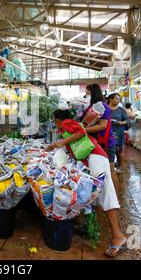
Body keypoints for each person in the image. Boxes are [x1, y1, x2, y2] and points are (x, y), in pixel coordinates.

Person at [46, 109, 128, 257]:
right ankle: (93, 226)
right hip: (93, 158)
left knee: (106, 195)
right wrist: (55, 146)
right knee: (93, 194)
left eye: (54, 121)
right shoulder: (65, 129)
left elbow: (81, 133)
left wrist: (61, 142)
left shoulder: (66, 124)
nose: (54, 124)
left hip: (95, 158)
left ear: (58, 120)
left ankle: (118, 237)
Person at [82, 84, 119, 192]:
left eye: (88, 92)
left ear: (93, 93)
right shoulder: (92, 106)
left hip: (106, 142)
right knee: (98, 170)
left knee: (110, 170)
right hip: (95, 142)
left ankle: (115, 197)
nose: (86, 94)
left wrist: (83, 130)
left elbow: (102, 126)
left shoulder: (102, 107)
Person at [107, 93, 128, 171]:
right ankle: (110, 166)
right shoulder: (106, 109)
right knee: (109, 149)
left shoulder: (121, 110)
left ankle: (121, 166)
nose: (118, 100)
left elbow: (127, 121)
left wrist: (121, 123)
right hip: (108, 132)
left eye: (119, 99)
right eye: (116, 98)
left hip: (118, 132)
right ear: (111, 99)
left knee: (119, 149)